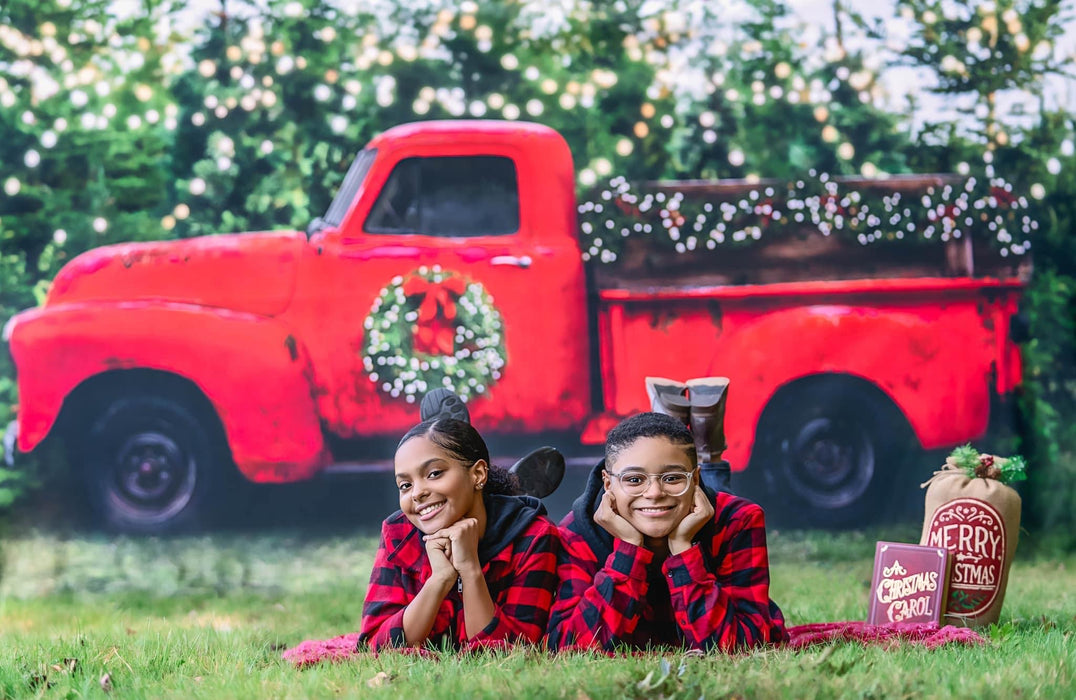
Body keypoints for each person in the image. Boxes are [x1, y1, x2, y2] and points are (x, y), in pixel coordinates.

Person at [547, 401, 789, 653]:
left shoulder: (740, 520)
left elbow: (743, 644)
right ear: (607, 484)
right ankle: (701, 444)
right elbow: (568, 645)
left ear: (695, 478)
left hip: (702, 512)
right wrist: (627, 554)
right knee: (676, 494)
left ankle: (705, 452)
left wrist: (684, 550)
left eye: (672, 477)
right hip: (669, 508)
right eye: (634, 479)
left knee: (714, 500)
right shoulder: (578, 531)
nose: (654, 492)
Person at [358, 417, 560, 651]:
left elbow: (508, 654)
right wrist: (440, 579)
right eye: (405, 485)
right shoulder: (398, 532)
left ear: (478, 475)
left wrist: (469, 567)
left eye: (433, 473)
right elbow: (373, 646)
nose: (417, 493)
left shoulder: (534, 536)